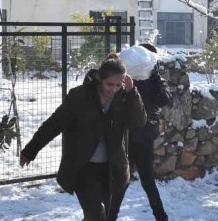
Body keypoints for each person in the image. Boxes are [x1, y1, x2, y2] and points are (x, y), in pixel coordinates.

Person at [20, 54, 147, 221]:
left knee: (106, 216)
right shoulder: (79, 97)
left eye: (118, 85)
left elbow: (139, 122)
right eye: (110, 84)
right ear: (100, 79)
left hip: (111, 168)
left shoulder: (124, 98)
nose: (114, 89)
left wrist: (133, 94)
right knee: (95, 213)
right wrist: (31, 150)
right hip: (82, 167)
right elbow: (54, 124)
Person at [107, 44, 171, 221]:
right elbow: (164, 100)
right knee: (144, 179)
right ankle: (161, 216)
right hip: (136, 136)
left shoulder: (147, 82)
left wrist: (155, 79)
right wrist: (156, 78)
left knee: (128, 179)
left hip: (135, 137)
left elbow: (164, 99)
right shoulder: (130, 82)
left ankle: (112, 217)